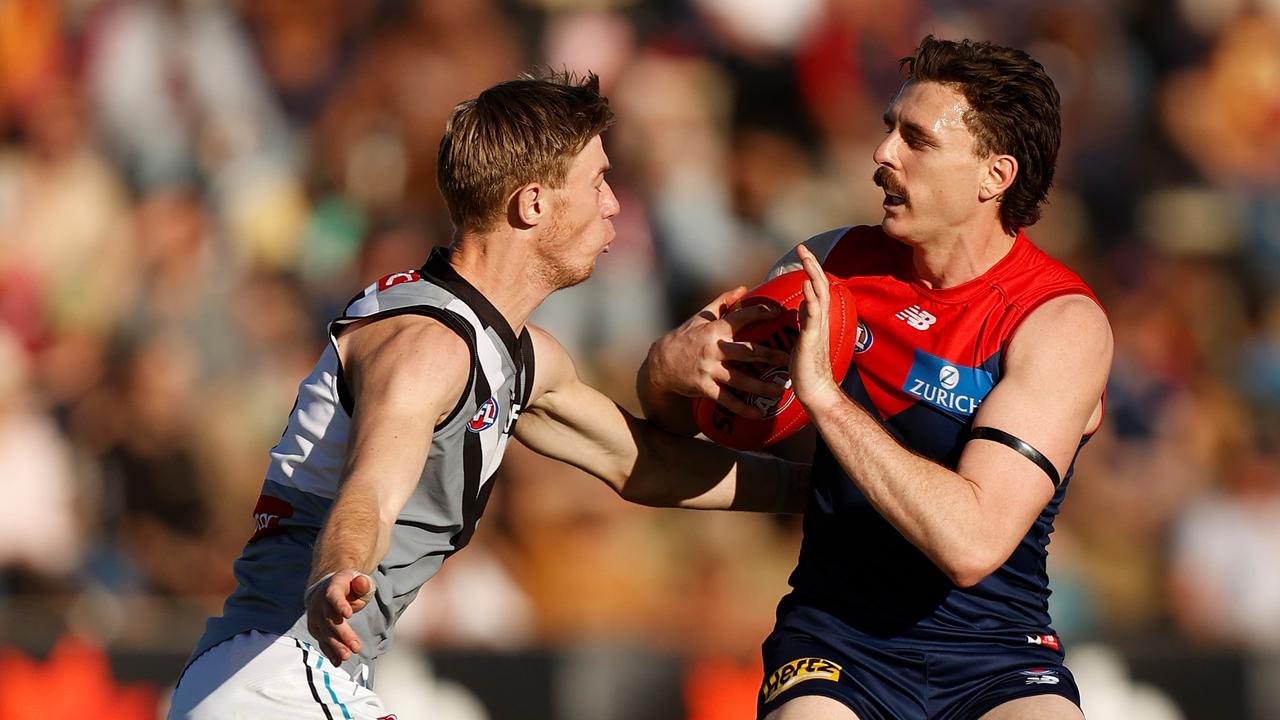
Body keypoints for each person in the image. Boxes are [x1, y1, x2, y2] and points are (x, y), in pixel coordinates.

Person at [168, 70, 808, 719]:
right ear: (533, 204)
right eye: (598, 182)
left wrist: (814, 491)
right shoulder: (429, 347)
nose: (614, 203)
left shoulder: (516, 354)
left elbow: (639, 463)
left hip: (276, 676)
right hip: (278, 676)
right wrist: (339, 572)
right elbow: (370, 492)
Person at [638, 36, 1113, 720]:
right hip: (837, 642)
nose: (882, 154)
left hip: (998, 656)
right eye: (889, 127)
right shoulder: (832, 267)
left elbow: (972, 544)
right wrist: (666, 373)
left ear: (994, 175)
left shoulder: (1058, 323)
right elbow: (696, 423)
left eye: (916, 139)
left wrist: (827, 402)